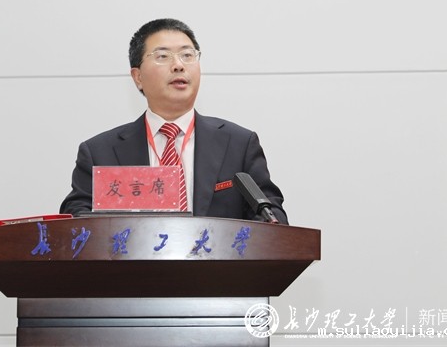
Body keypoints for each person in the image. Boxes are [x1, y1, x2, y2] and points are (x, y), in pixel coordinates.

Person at [59, 18, 288, 224]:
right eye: (163, 56)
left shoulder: (238, 144)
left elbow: (272, 217)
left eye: (187, 55)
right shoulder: (100, 153)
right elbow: (75, 222)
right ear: (138, 77)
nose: (179, 65)